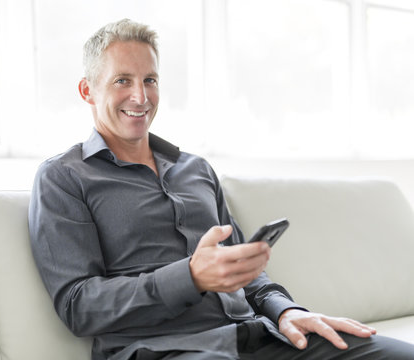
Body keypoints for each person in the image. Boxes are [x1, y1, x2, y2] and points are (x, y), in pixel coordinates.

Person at [28, 19, 414, 360]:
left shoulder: (195, 169)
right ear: (87, 90)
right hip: (168, 349)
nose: (140, 97)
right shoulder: (63, 178)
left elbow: (246, 272)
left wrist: (286, 310)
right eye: (122, 81)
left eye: (150, 80)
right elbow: (79, 307)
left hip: (261, 337)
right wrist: (190, 277)